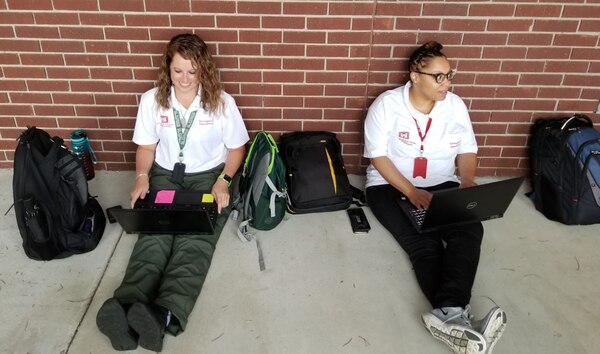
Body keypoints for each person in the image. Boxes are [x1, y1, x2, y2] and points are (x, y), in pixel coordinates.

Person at [96, 33, 249, 352]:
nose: (184, 78)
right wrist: (141, 177)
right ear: (168, 67)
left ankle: (163, 315)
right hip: (166, 175)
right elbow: (146, 146)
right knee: (156, 235)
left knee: (194, 240)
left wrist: (224, 180)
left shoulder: (221, 101)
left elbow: (237, 148)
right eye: (178, 70)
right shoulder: (152, 99)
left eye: (192, 71)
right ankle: (124, 309)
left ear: (203, 70)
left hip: (208, 177)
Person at [363, 41, 507, 354]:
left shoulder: (454, 105)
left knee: (468, 231)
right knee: (423, 244)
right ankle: (459, 319)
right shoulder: (387, 105)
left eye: (449, 75)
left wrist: (467, 180)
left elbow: (468, 149)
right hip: (391, 187)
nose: (447, 83)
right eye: (438, 76)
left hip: (443, 183)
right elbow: (378, 157)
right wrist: (412, 191)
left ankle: (452, 320)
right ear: (414, 75)